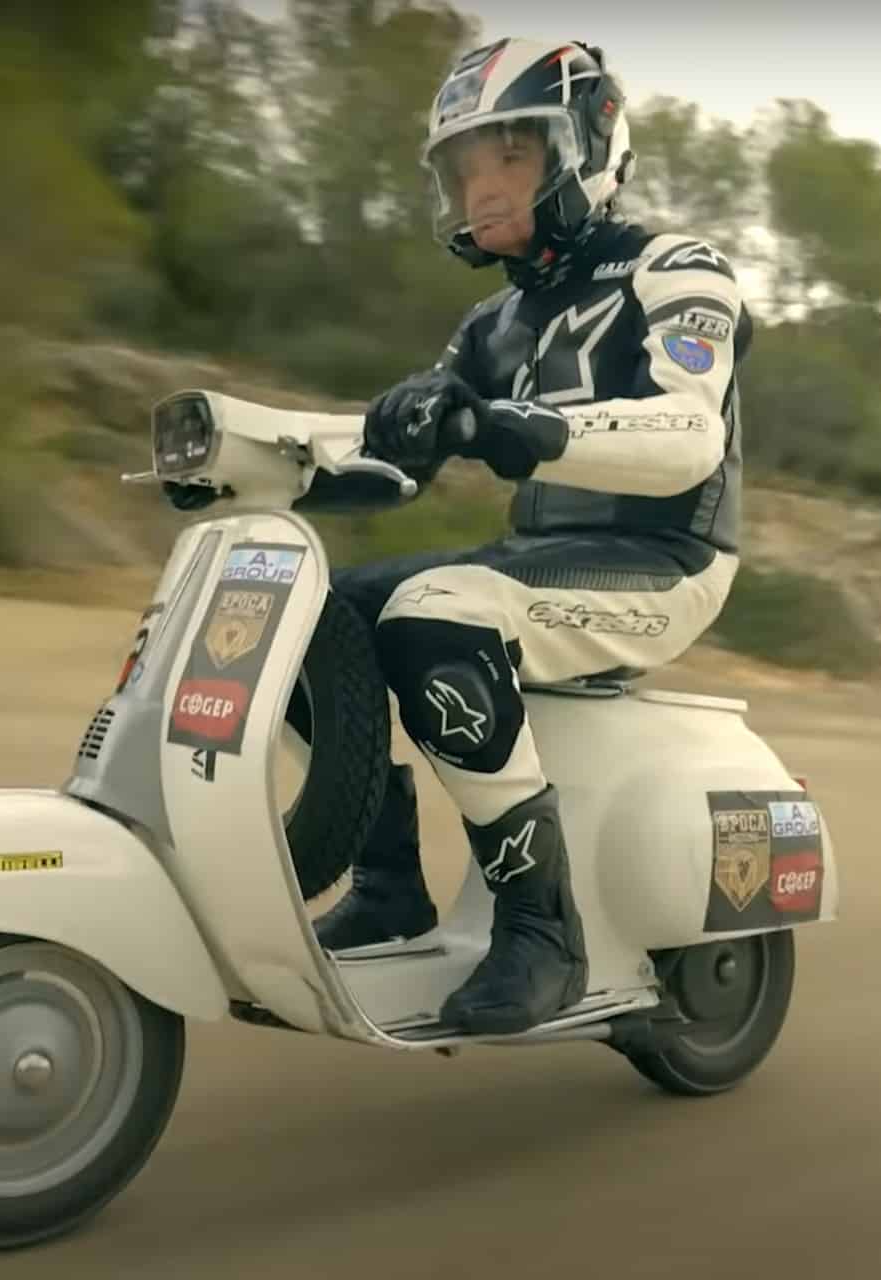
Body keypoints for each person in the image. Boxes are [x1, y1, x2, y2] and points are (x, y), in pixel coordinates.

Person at [313, 36, 754, 1035]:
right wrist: (244, 455)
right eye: (465, 168)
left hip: (668, 562)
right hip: (535, 563)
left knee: (433, 615)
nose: (481, 188)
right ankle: (388, 885)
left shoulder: (678, 269)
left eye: (509, 156)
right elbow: (392, 460)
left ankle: (543, 932)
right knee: (312, 617)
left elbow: (690, 437)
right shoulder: (490, 324)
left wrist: (509, 425)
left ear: (586, 145)